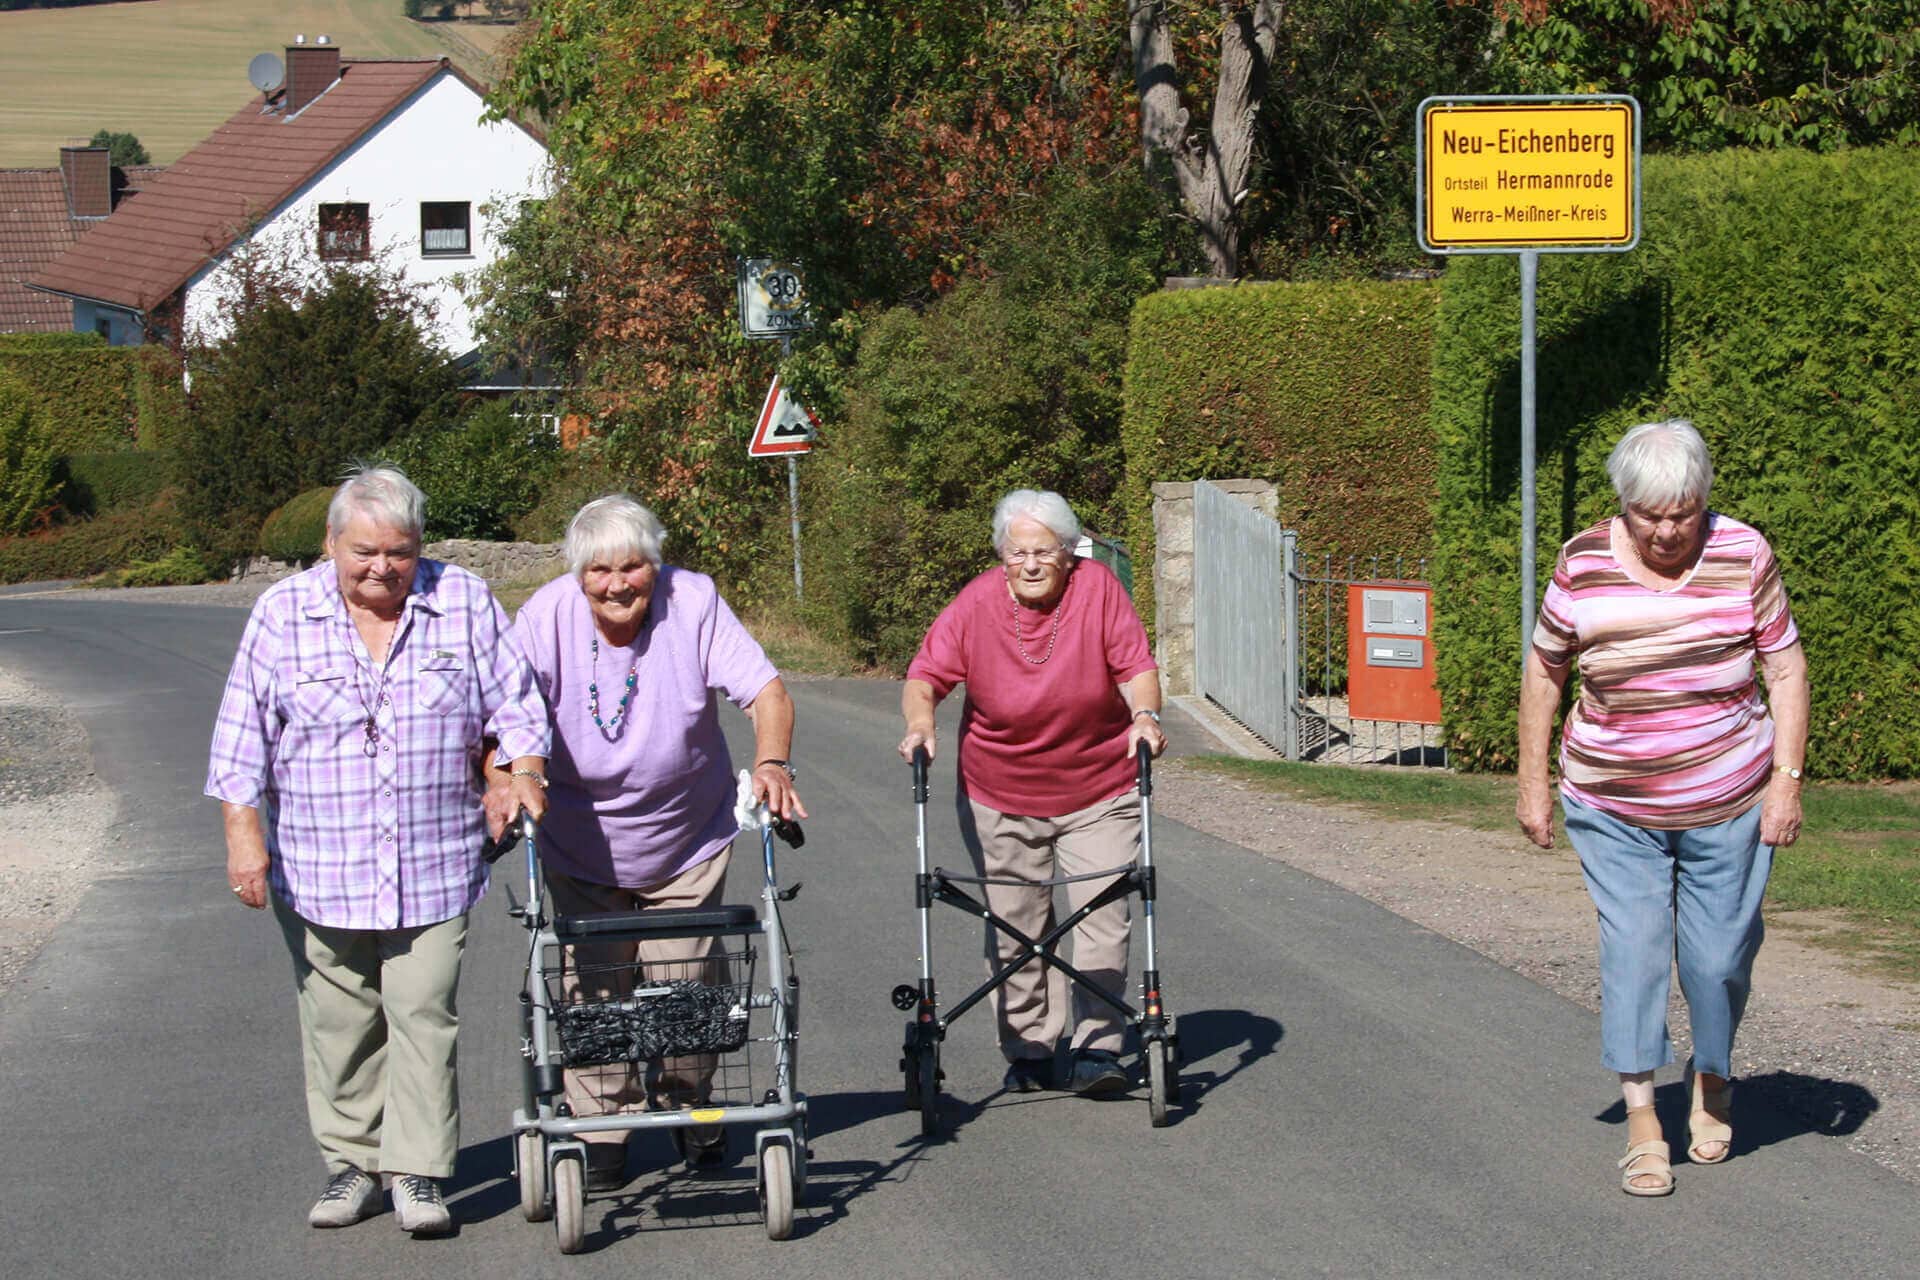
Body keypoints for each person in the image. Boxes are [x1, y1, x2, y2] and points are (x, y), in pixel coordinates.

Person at [207, 465, 550, 1235]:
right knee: (339, 1019)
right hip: (318, 863)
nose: (381, 568)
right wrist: (242, 837)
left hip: (435, 858)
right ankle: (354, 1164)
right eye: (364, 551)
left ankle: (420, 1172)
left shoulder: (462, 600)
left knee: (424, 1011)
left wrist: (517, 775)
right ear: (330, 542)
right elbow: (240, 737)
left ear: (418, 545)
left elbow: (519, 707)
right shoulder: (280, 613)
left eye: (397, 551)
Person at [1516, 420, 1809, 1198]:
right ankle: (1644, 1114)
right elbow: (1545, 672)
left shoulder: (1745, 553)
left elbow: (1784, 670)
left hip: (1731, 797)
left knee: (1716, 963)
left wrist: (1786, 779)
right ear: (1625, 505)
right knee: (1636, 950)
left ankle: (1711, 1076)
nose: (1669, 530)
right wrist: (1533, 781)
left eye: (1683, 512)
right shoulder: (1581, 562)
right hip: (1611, 798)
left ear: (1704, 499)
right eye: (1652, 516)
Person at [485, 494, 806, 1192]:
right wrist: (508, 778)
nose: (617, 583)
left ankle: (691, 1106)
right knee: (593, 989)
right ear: (578, 573)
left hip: (685, 837)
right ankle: (602, 1129)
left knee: (684, 987)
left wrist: (773, 763)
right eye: (599, 569)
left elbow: (767, 693)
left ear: (654, 566)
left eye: (633, 566)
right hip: (578, 840)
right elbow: (503, 717)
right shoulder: (545, 617)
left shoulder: (693, 602)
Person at [898, 488, 1166, 1096]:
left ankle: (1100, 1049)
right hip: (999, 789)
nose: (1031, 564)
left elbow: (1135, 669)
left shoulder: (1098, 591)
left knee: (1103, 911)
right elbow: (926, 675)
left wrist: (1145, 717)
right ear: (1002, 555)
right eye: (1017, 553)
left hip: (1098, 785)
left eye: (1044, 551)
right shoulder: (975, 604)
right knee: (1018, 922)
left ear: (1069, 553)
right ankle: (1031, 1048)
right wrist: (920, 723)